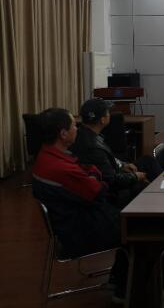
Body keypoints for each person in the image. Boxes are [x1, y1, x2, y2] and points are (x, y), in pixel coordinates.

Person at [31, 108, 127, 302]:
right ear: (63, 133)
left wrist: (92, 175)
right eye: (74, 125)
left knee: (128, 204)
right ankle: (123, 289)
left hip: (71, 220)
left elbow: (90, 173)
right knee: (137, 227)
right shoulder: (61, 168)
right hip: (82, 230)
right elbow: (99, 191)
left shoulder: (45, 156)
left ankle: (118, 278)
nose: (78, 128)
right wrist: (94, 176)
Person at [71, 98, 156, 209]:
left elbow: (108, 159)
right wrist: (136, 176)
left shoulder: (84, 133)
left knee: (147, 161)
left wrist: (122, 165)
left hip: (114, 172)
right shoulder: (93, 147)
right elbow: (113, 181)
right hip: (113, 195)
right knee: (142, 185)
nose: (110, 115)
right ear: (102, 120)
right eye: (108, 112)